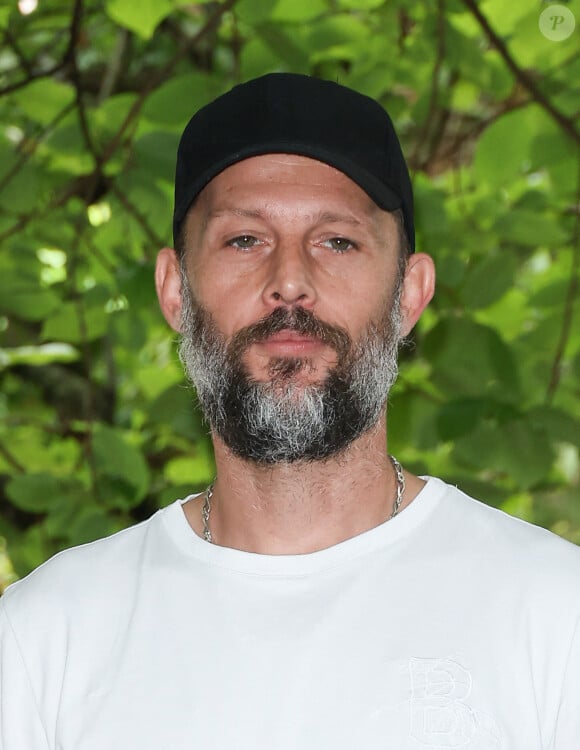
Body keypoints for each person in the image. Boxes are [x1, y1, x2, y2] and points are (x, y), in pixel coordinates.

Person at [1, 73, 579, 750]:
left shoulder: (552, 614)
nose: (291, 282)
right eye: (244, 240)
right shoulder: (47, 637)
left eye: (338, 241)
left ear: (410, 294)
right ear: (175, 290)